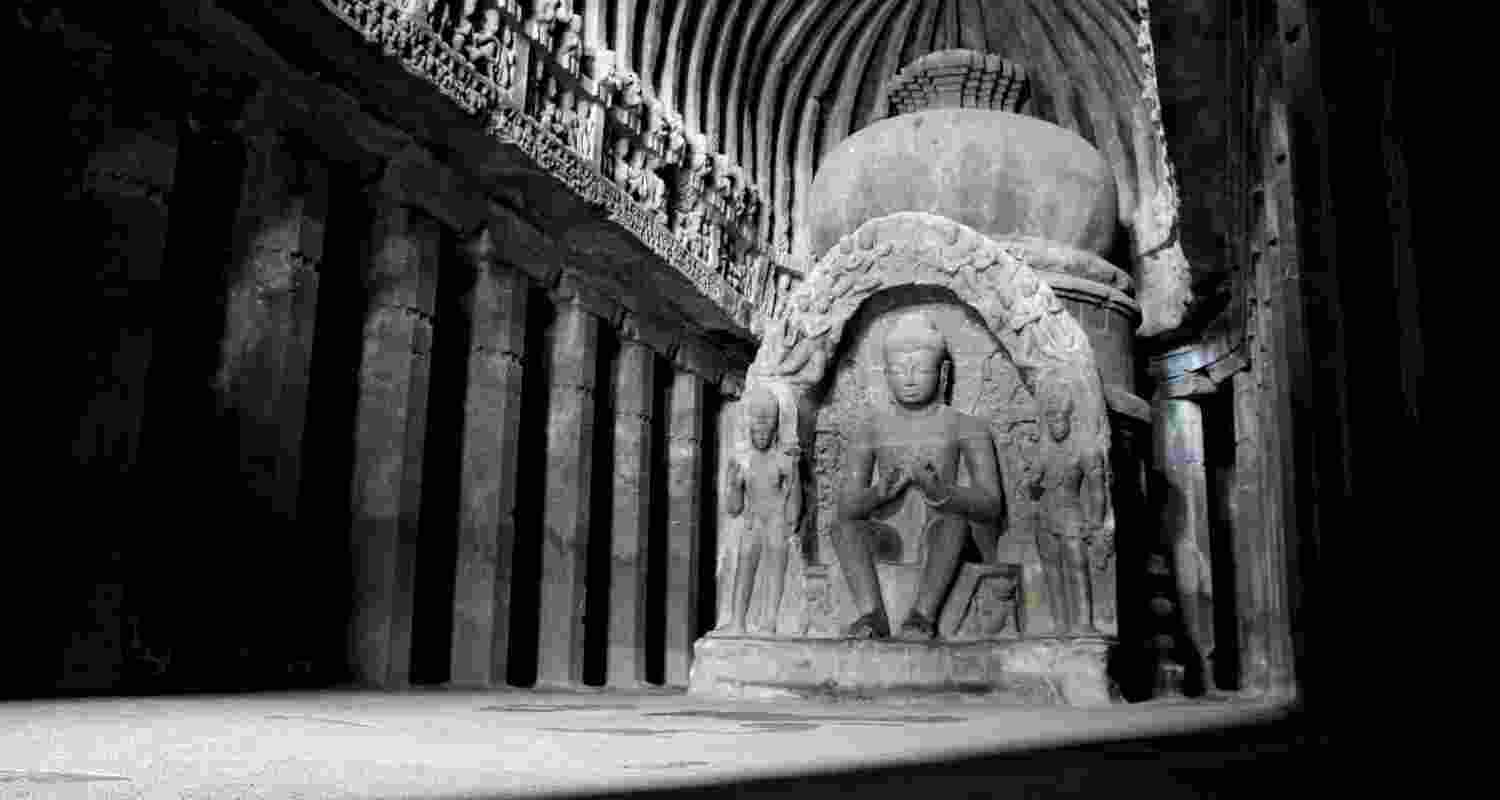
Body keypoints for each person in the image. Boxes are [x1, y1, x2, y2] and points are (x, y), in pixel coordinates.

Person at [832, 312, 1004, 639]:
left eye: (921, 369)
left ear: (943, 373)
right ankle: (872, 614)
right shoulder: (869, 429)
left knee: (953, 523)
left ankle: (922, 615)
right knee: (844, 528)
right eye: (898, 370)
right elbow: (846, 507)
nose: (909, 378)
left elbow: (991, 504)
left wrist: (942, 492)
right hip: (888, 535)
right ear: (885, 375)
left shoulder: (966, 427)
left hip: (938, 532)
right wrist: (879, 493)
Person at [719, 388, 801, 634]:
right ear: (749, 430)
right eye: (757, 431)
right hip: (752, 520)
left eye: (767, 431)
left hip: (776, 519)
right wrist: (732, 484)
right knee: (744, 568)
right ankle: (737, 621)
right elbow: (734, 509)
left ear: (775, 430)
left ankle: (770, 621)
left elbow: (794, 495)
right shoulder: (744, 462)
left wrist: (791, 520)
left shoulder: (783, 461)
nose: (762, 436)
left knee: (776, 569)